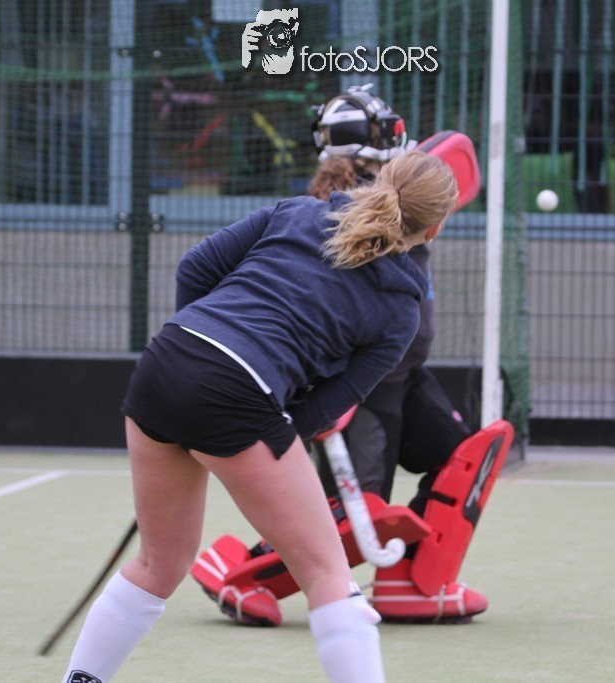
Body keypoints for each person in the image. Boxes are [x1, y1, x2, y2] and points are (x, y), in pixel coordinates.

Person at [60, 150, 458, 683]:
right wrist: (252, 412)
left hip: (167, 360)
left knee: (159, 564)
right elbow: (329, 406)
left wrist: (204, 361)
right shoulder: (402, 312)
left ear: (379, 182)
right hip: (235, 394)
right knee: (328, 576)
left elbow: (194, 268)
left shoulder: (297, 211)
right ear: (434, 230)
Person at [190, 86, 501, 628]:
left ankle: (412, 583)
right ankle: (239, 571)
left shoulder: (400, 194)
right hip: (361, 385)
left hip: (404, 373)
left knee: (463, 457)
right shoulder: (340, 212)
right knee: (352, 517)